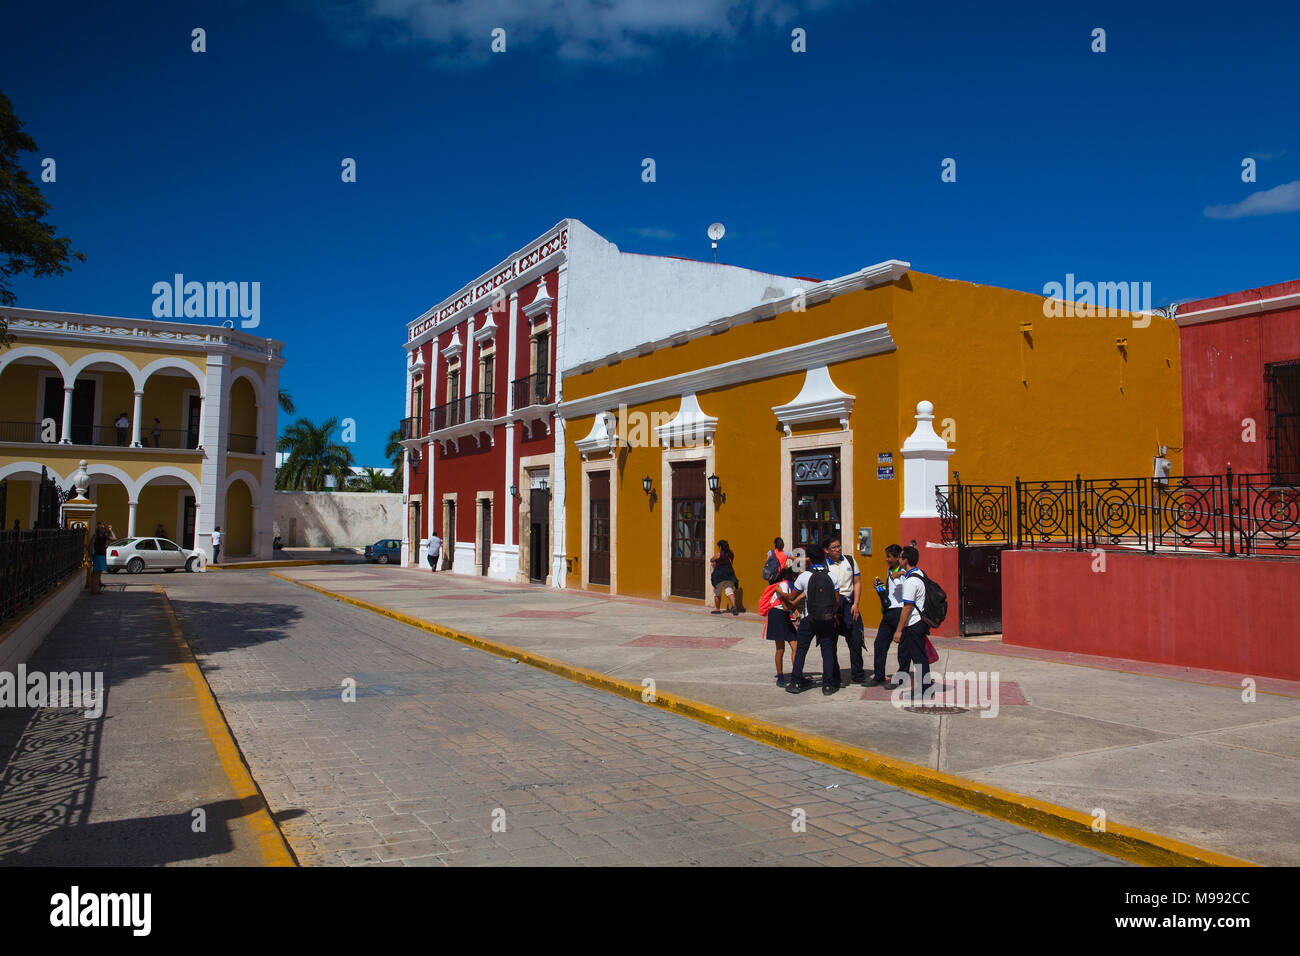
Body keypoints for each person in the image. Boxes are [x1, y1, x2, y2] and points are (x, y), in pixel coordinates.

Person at [783, 542, 841, 696]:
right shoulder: (832, 576)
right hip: (827, 619)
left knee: (801, 649)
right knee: (827, 651)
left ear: (809, 560)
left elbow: (792, 596)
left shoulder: (804, 577)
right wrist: (833, 614)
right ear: (823, 557)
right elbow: (836, 601)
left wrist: (782, 594)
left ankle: (796, 681)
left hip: (809, 618)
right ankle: (828, 685)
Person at [887, 545, 932, 701]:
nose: (898, 559)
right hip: (920, 621)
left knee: (919, 657)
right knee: (914, 654)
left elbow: (907, 607)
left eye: (900, 557)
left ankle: (925, 689)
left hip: (914, 623)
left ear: (905, 560)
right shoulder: (919, 574)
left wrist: (898, 630)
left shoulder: (911, 582)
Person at [825, 536, 868, 685]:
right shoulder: (825, 566)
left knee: (855, 640)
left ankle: (858, 674)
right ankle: (835, 676)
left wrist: (856, 603)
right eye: (834, 548)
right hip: (833, 607)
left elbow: (857, 582)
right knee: (831, 643)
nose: (838, 550)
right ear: (827, 551)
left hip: (850, 605)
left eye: (838, 546)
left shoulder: (849, 561)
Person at [869, 544, 905, 686]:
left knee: (902, 647)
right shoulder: (891, 569)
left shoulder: (902, 571)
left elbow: (905, 584)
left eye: (889, 557)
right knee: (880, 644)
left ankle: (902, 677)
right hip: (888, 612)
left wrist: (899, 574)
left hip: (899, 612)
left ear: (897, 558)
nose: (887, 559)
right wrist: (881, 588)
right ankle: (879, 675)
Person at [761, 567, 799, 686]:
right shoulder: (783, 586)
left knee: (795, 646)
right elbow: (786, 606)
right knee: (780, 649)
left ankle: (796, 674)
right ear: (793, 577)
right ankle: (781, 676)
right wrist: (794, 611)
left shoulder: (790, 587)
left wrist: (796, 613)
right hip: (776, 615)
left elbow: (789, 605)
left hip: (784, 615)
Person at [709, 539, 740, 615]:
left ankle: (717, 609)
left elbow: (711, 559)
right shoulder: (731, 553)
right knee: (729, 591)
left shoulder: (719, 554)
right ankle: (734, 606)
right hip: (730, 574)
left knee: (717, 592)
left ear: (720, 547)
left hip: (719, 575)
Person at [90, 522, 110, 593]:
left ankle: (96, 589)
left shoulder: (104, 537)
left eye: (104, 528)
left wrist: (110, 530)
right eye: (101, 528)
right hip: (97, 555)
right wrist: (90, 555)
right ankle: (94, 589)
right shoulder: (95, 536)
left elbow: (114, 538)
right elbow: (91, 545)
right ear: (98, 529)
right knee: (96, 573)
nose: (103, 529)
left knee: (99, 573)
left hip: (102, 555)